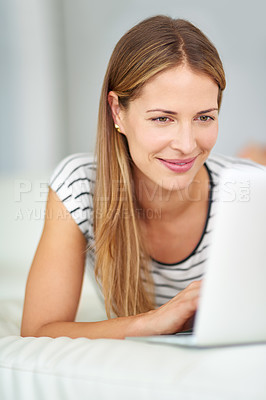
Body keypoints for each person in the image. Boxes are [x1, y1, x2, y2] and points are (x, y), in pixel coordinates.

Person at [20, 15, 265, 339]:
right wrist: (152, 322)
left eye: (204, 117)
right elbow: (38, 330)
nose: (187, 144)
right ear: (117, 111)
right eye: (163, 118)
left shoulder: (251, 190)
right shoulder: (80, 187)